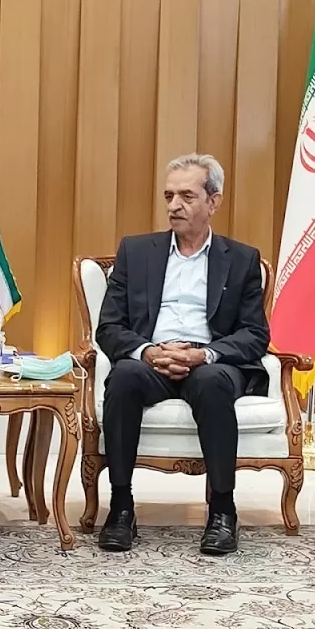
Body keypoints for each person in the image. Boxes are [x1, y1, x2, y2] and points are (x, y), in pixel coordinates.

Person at [95, 153, 270, 555]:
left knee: (212, 383)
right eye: (169, 196)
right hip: (152, 359)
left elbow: (255, 334)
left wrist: (204, 355)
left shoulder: (241, 259)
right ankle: (121, 507)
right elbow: (109, 326)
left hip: (209, 361)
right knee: (122, 377)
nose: (174, 205)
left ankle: (222, 512)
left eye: (187, 196)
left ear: (213, 201)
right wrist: (148, 351)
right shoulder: (136, 251)